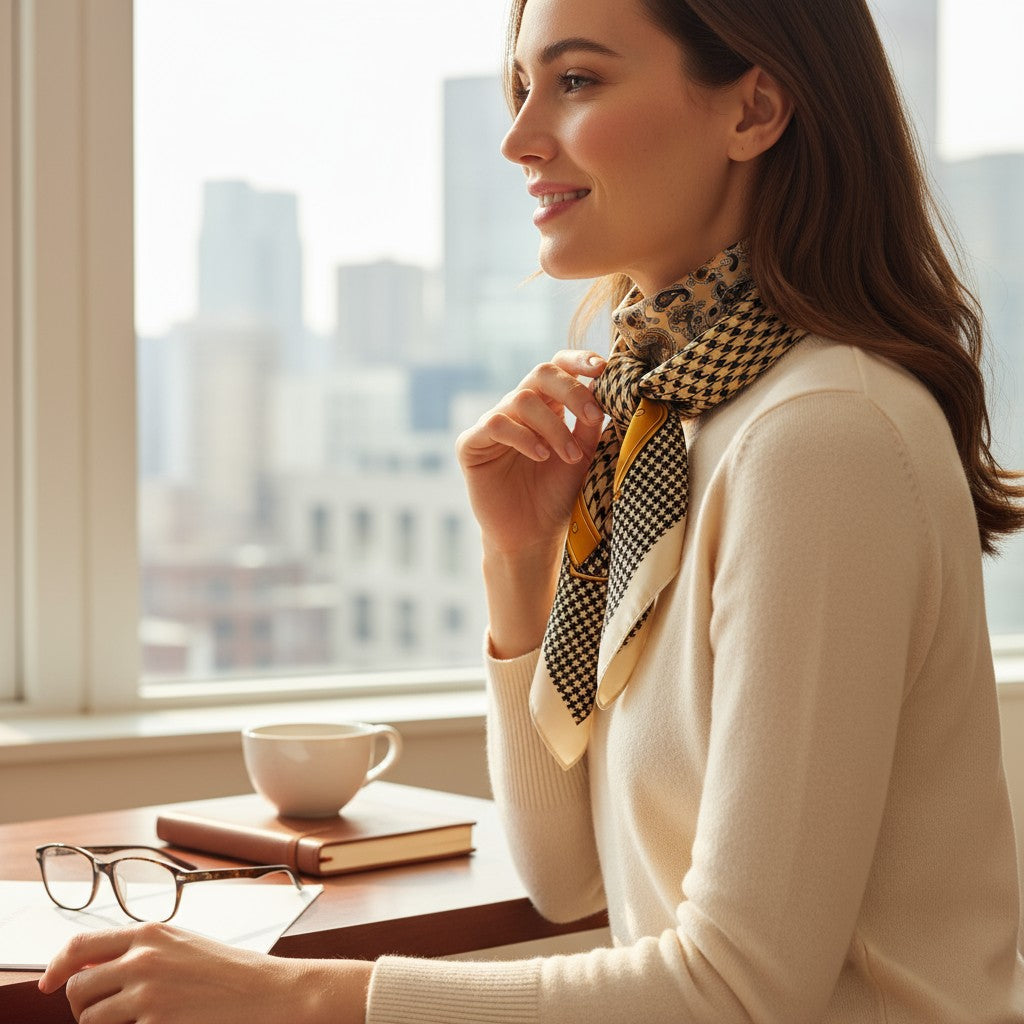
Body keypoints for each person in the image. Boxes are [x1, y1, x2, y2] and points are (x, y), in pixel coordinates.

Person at [40, 0, 1024, 1021]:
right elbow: (572, 879)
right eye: (522, 88)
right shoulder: (670, 426)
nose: (516, 139)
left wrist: (296, 995)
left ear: (753, 109)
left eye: (577, 81)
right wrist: (517, 559)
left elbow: (740, 988)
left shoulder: (820, 434)